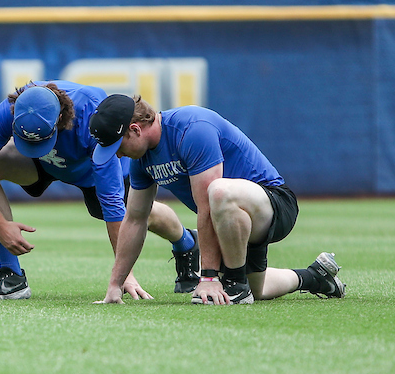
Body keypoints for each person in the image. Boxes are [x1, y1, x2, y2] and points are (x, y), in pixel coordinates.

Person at [89, 94, 345, 305]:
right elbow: (134, 220)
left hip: (272, 204)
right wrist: (115, 283)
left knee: (218, 192)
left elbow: (207, 209)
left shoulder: (191, 129)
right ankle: (314, 276)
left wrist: (209, 278)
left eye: (117, 146)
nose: (119, 155)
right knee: (260, 288)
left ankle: (235, 284)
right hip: (232, 221)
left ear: (135, 129)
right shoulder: (141, 160)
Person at [0, 81, 198, 300]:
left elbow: (112, 205)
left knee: (140, 212)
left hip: (92, 169)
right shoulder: (14, 107)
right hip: (47, 162)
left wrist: (124, 276)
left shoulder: (93, 120)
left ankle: (187, 242)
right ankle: (11, 276)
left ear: (61, 118)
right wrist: (0, 225)